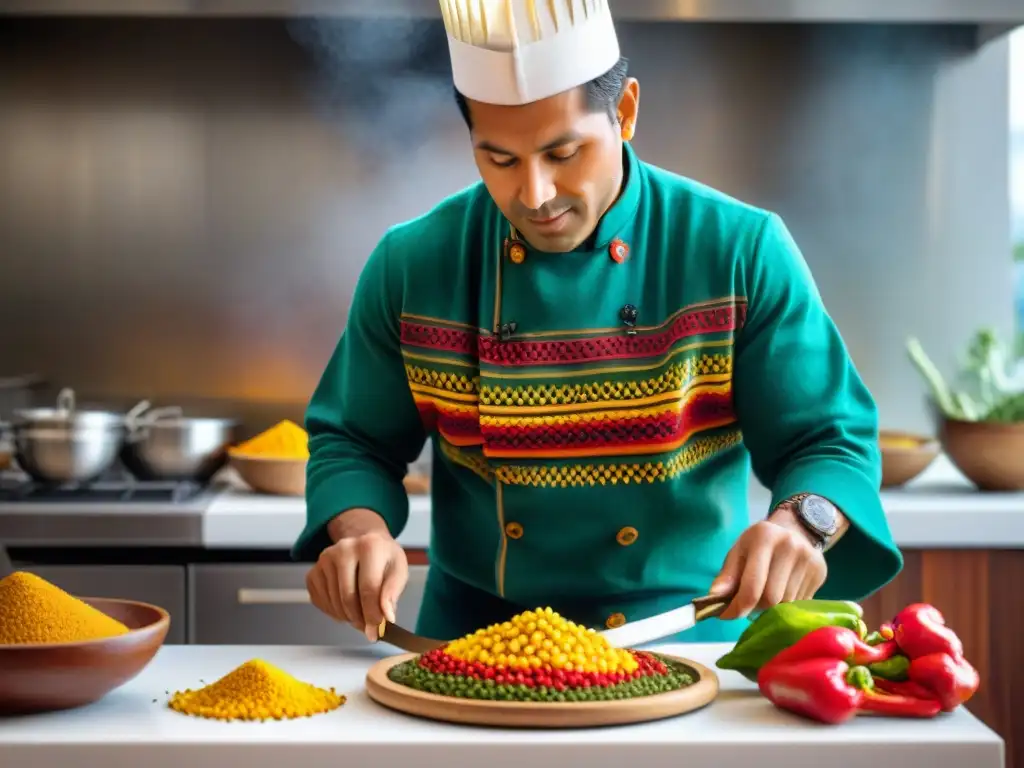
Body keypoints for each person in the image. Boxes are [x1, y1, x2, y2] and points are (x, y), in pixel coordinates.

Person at [293, 0, 903, 644]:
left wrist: (797, 526)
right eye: (499, 160)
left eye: (564, 153)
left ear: (627, 112)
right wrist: (360, 532)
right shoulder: (413, 265)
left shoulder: (738, 251)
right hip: (476, 646)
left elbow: (830, 441)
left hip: (683, 639)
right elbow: (353, 440)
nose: (535, 194)